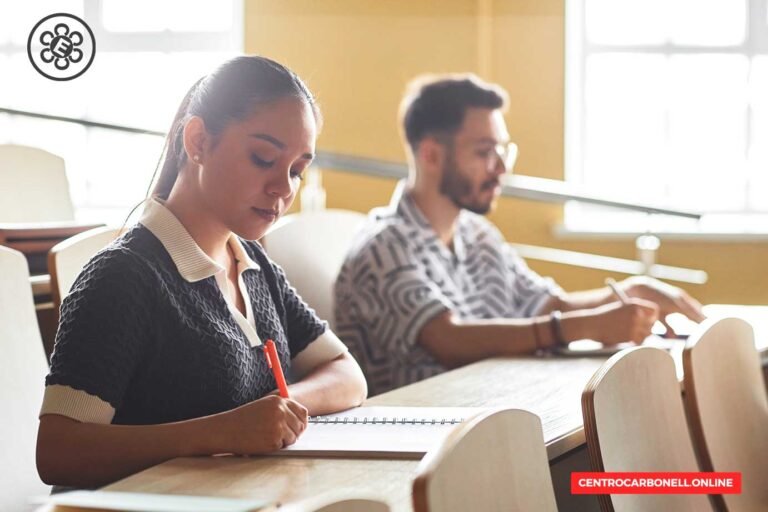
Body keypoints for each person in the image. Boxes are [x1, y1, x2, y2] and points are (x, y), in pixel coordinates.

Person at [36, 56, 367, 488]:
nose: (284, 187)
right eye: (263, 158)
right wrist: (221, 431)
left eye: (297, 171)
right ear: (198, 141)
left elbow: (347, 374)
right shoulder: (122, 276)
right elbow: (57, 452)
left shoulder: (253, 265)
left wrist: (280, 408)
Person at [334, 74, 705, 396]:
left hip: (499, 412)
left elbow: (548, 306)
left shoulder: (478, 235)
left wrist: (631, 292)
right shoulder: (383, 248)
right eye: (484, 152)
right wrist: (587, 326)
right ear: (431, 155)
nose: (500, 168)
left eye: (503, 150)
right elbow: (450, 340)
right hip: (428, 439)